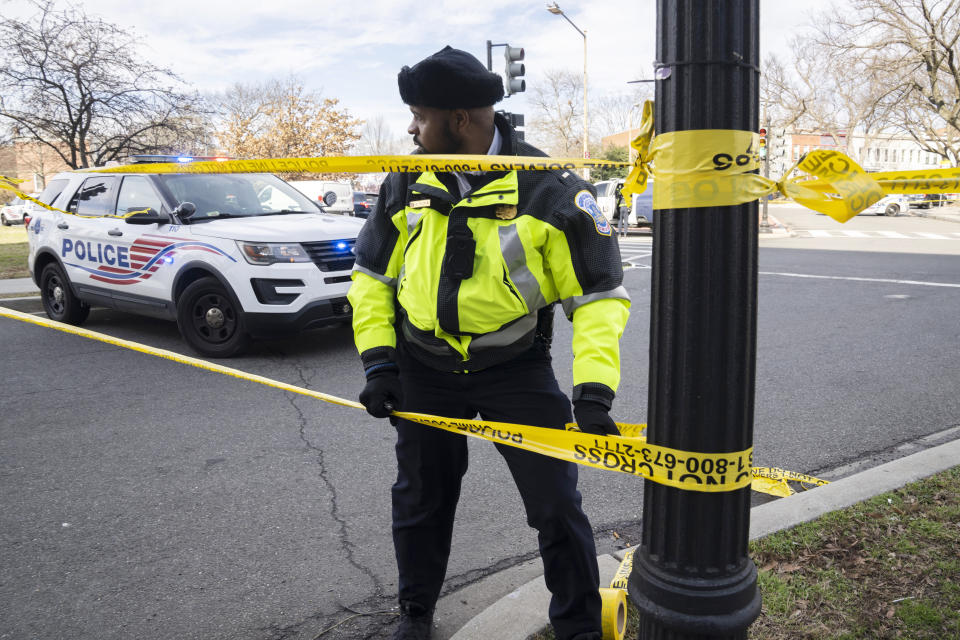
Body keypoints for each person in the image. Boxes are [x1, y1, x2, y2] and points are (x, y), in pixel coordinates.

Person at [347, 46, 630, 640]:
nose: (410, 128)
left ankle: (578, 627)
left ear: (458, 121)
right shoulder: (405, 180)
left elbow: (598, 295)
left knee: (556, 505)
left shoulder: (549, 190)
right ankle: (416, 614)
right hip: (423, 367)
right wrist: (380, 363)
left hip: (515, 369)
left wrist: (594, 393)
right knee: (421, 500)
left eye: (419, 116)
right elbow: (372, 280)